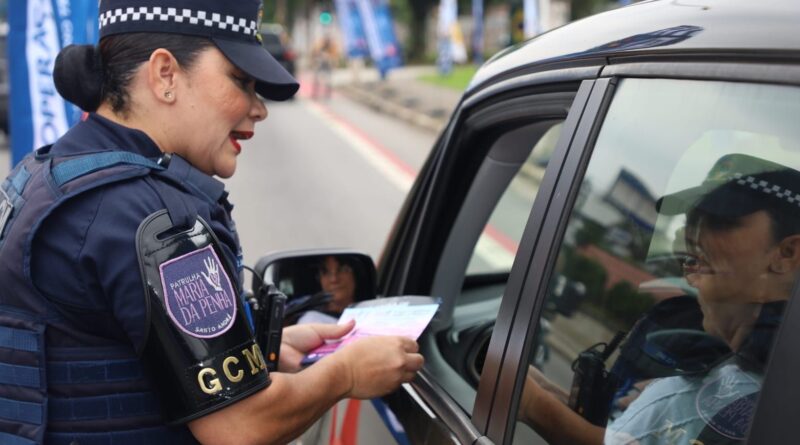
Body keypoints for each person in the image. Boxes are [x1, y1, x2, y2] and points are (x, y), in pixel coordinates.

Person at [0, 1, 423, 444]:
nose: (258, 109)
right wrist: (346, 373)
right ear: (165, 74)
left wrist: (261, 351)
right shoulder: (152, 217)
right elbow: (239, 424)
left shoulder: (47, 173)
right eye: (240, 81)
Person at [517, 154, 800, 445]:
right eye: (693, 215)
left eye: (719, 220)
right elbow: (627, 435)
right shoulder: (711, 355)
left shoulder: (765, 391)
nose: (694, 231)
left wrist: (528, 401)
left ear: (788, 253)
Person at [311, 34, 338, 99]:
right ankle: (315, 93)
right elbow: (314, 54)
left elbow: (335, 56)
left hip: (328, 65)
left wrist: (329, 58)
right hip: (320, 64)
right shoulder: (319, 45)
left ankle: (327, 94)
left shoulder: (332, 47)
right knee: (317, 80)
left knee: (328, 81)